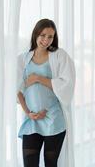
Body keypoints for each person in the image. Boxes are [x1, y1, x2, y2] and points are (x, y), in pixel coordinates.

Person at [17, 19, 76, 167]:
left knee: (51, 164)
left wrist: (38, 78)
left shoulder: (59, 56)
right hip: (31, 120)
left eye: (50, 36)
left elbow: (66, 85)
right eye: (43, 35)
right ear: (36, 33)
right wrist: (28, 112)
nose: (46, 40)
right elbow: (17, 90)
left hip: (53, 119)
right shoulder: (22, 59)